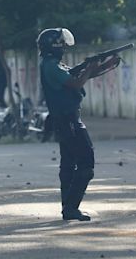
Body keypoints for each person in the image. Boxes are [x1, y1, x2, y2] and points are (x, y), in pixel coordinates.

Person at [37, 28, 119, 221]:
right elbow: (76, 83)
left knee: (68, 165)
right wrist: (89, 67)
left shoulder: (53, 65)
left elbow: (80, 77)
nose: (64, 47)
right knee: (85, 165)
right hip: (69, 120)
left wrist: (106, 65)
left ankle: (68, 207)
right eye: (62, 44)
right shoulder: (51, 66)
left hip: (65, 120)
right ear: (55, 45)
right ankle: (71, 207)